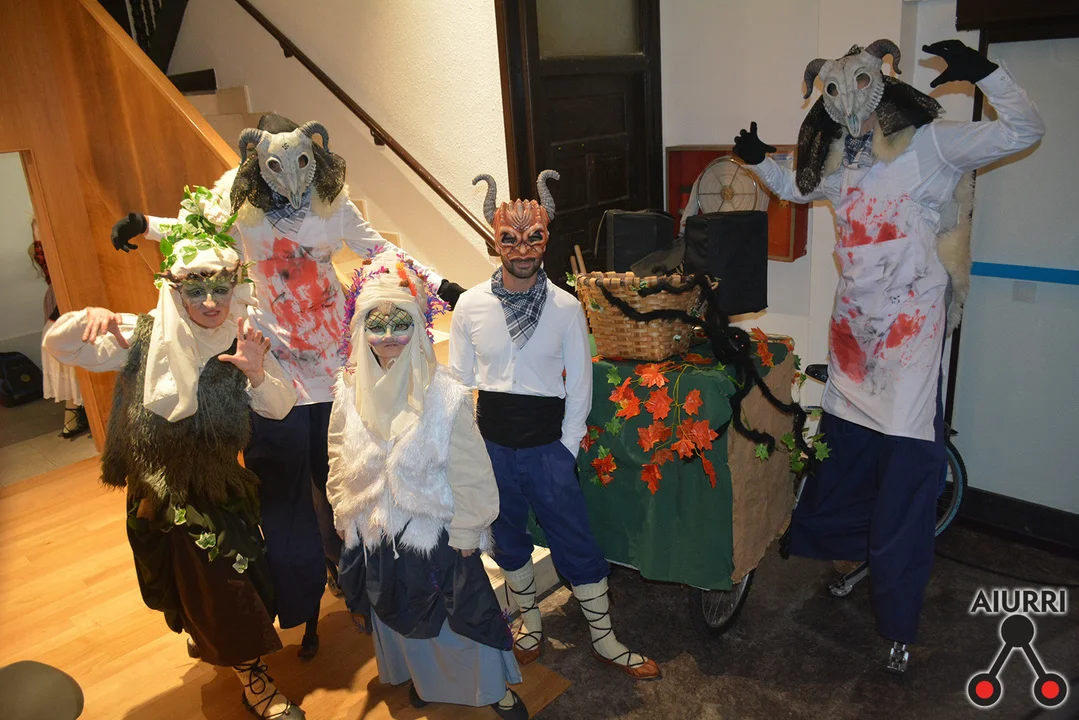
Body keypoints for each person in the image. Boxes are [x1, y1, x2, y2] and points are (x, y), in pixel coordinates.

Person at [732, 39, 1045, 671]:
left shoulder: (932, 145)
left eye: (858, 85)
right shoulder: (839, 159)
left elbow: (1024, 129)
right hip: (854, 332)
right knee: (847, 457)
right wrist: (762, 161)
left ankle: (898, 614)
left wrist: (988, 75)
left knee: (903, 472)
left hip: (909, 337)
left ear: (882, 83)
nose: (849, 104)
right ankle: (850, 553)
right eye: (834, 90)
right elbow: (799, 188)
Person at [108, 115, 466, 656]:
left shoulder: (329, 203)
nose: (290, 177)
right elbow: (192, 229)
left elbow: (379, 249)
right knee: (283, 497)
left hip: (334, 366)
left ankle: (362, 590)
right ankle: (300, 606)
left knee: (349, 483)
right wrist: (143, 224)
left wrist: (439, 284)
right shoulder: (239, 205)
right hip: (271, 373)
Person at [44, 207, 304, 719]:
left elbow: (280, 407)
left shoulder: (243, 340)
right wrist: (84, 318)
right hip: (164, 493)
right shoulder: (143, 335)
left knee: (242, 577)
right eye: (196, 290)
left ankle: (217, 637)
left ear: (234, 287)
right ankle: (255, 681)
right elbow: (61, 346)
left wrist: (256, 373)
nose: (209, 303)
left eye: (219, 290)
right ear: (176, 290)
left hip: (222, 485)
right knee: (220, 586)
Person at [449, 171, 660, 680]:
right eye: (510, 238)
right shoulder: (470, 306)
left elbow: (580, 385)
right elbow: (458, 383)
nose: (522, 250)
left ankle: (605, 638)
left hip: (548, 448)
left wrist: (566, 448)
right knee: (507, 538)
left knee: (575, 539)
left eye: (534, 237)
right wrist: (466, 451)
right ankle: (530, 624)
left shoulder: (567, 307)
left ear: (547, 237)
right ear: (494, 239)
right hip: (492, 447)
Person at [325, 249, 527, 718]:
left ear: (419, 326)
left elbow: (472, 470)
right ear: (360, 328)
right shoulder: (348, 391)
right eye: (376, 324)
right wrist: (342, 510)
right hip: (377, 532)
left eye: (401, 323)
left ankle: (489, 688)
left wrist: (468, 530)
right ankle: (426, 681)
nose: (388, 335)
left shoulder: (444, 394)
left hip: (434, 535)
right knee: (397, 614)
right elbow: (338, 455)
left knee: (460, 618)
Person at [28, 218, 88, 439]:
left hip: (60, 312)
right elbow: (43, 256)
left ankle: (73, 419)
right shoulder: (57, 256)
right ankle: (76, 418)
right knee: (75, 366)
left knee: (74, 368)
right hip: (62, 309)